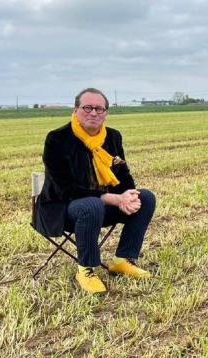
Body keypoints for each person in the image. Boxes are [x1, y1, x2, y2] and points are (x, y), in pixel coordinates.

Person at [34, 88, 156, 294]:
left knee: (146, 197)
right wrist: (113, 199)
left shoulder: (113, 137)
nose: (93, 113)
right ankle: (86, 269)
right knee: (92, 204)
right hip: (63, 209)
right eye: (87, 107)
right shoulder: (57, 139)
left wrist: (129, 195)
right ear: (76, 110)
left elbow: (123, 174)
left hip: (101, 208)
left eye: (99, 109)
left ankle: (123, 260)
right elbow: (65, 188)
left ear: (106, 113)